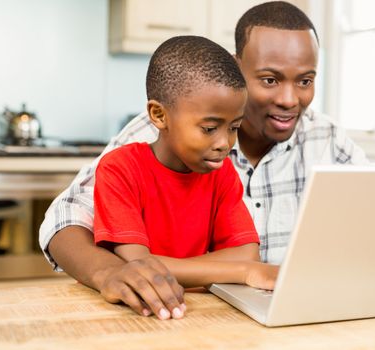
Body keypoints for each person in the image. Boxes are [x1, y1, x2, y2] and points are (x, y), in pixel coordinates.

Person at [39, 1, 367, 319]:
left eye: (305, 81)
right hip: (165, 314)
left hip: (270, 312)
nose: (288, 99)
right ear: (238, 67)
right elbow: (71, 221)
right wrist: (109, 272)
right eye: (270, 79)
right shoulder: (151, 137)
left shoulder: (327, 138)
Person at [92, 35, 277, 320]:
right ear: (159, 115)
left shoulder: (222, 172)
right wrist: (244, 272)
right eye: (209, 128)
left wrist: (243, 265)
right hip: (136, 315)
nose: (224, 143)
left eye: (234, 128)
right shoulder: (120, 169)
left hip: (201, 313)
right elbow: (139, 264)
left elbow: (245, 254)